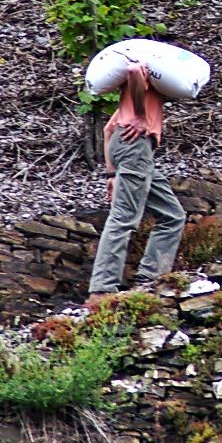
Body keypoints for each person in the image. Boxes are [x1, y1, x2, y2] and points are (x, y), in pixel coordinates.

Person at [86, 62, 186, 304]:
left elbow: (109, 130)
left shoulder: (128, 98)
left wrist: (111, 175)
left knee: (173, 216)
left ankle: (152, 278)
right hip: (136, 148)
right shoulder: (145, 78)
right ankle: (102, 289)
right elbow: (133, 69)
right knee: (124, 217)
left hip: (130, 151)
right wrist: (141, 116)